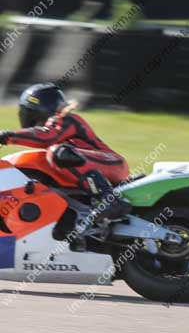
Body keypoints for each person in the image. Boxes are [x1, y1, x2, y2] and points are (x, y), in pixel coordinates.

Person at [0, 83, 131, 226]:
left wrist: (7, 136)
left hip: (112, 162)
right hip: (94, 169)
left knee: (58, 152)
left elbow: (47, 136)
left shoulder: (67, 119)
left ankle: (110, 201)